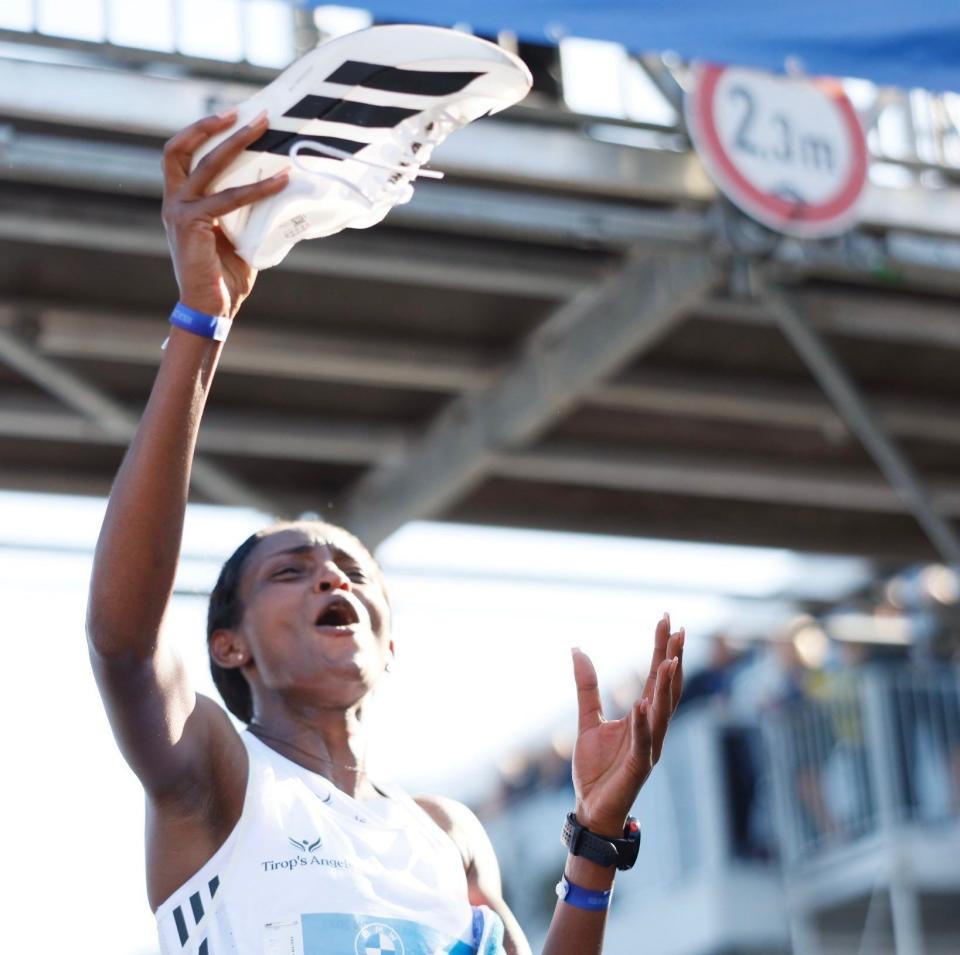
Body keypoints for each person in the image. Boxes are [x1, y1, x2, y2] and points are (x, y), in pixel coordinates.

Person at [86, 110, 686, 955]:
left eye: (354, 573)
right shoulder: (217, 773)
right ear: (230, 647)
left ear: (390, 646)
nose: (335, 581)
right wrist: (199, 321)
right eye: (292, 571)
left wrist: (594, 839)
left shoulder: (447, 833)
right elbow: (122, 640)